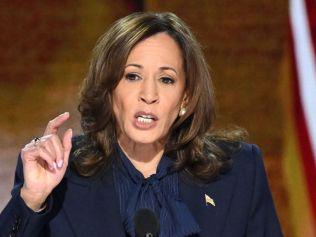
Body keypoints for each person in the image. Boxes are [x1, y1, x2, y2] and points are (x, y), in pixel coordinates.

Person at [0, 12, 283, 237]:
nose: (149, 95)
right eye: (132, 76)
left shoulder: (239, 171)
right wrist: (31, 199)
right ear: (109, 89)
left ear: (185, 98)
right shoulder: (59, 175)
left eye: (166, 79)